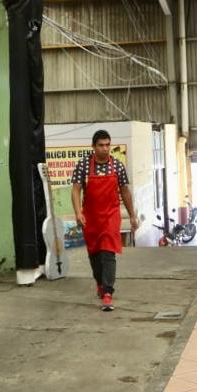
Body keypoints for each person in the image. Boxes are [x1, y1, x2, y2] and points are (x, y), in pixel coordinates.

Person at [71, 130, 138, 311]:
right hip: (91, 217)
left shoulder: (117, 166)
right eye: (101, 145)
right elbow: (76, 190)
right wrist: (78, 212)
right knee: (94, 253)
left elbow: (124, 191)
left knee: (108, 251)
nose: (105, 148)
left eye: (107, 145)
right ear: (93, 147)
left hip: (110, 215)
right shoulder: (83, 165)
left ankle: (108, 293)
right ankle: (100, 283)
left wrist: (132, 215)